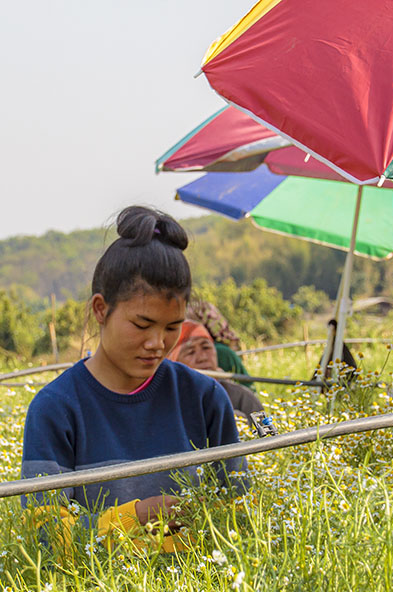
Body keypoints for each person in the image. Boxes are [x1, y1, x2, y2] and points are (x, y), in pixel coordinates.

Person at [22, 206, 248, 553]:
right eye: (142, 325)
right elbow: (46, 537)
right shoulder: (56, 409)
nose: (157, 344)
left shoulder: (204, 398)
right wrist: (135, 518)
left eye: (172, 328)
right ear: (101, 309)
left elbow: (240, 511)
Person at [167, 320, 264, 420]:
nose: (202, 357)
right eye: (191, 352)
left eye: (206, 347)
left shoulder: (240, 398)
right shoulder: (164, 403)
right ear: (173, 361)